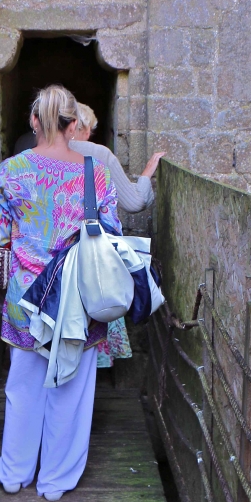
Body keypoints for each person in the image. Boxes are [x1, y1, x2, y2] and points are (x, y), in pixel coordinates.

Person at [0, 85, 121, 501]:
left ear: (33, 121)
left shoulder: (10, 171)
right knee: (71, 390)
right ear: (74, 124)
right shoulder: (93, 173)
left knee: (23, 387)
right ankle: (55, 481)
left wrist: (2, 288)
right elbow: (111, 236)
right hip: (76, 301)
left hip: (26, 298)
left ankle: (14, 472)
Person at [70, 102, 165, 369]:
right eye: (89, 129)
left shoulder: (34, 155)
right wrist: (146, 173)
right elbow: (134, 203)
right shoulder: (99, 154)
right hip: (93, 256)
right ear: (79, 126)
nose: (90, 136)